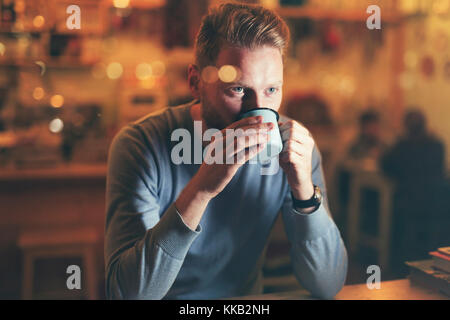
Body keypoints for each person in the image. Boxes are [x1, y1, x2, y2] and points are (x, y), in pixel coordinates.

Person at [104, 3, 348, 300]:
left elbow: (329, 284)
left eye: (271, 90)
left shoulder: (295, 147)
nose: (258, 113)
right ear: (196, 82)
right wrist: (201, 190)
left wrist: (304, 191)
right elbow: (128, 295)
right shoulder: (139, 146)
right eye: (238, 90)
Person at [381, 109, 447, 275]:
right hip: (433, 201)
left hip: (407, 201)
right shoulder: (437, 144)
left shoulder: (402, 146)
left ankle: (400, 267)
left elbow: (386, 166)